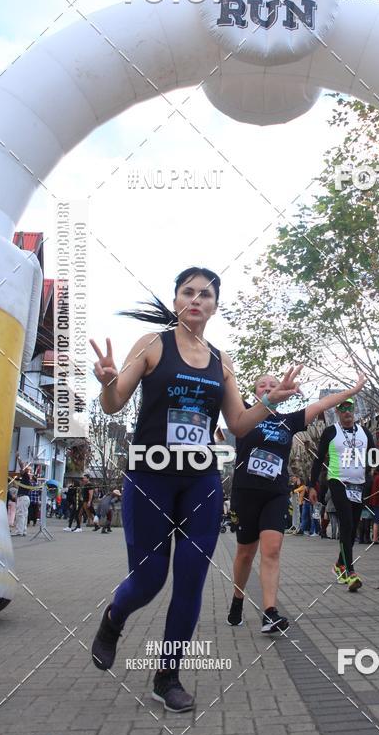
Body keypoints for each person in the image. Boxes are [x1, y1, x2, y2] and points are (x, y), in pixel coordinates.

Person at [89, 267, 302, 712]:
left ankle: (167, 677)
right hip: (150, 477)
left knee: (190, 581)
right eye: (187, 292)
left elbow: (239, 424)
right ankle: (113, 619)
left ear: (214, 306)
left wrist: (270, 401)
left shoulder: (222, 361)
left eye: (205, 294)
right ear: (175, 300)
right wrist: (108, 380)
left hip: (200, 482)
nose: (196, 300)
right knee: (149, 580)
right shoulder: (151, 346)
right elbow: (114, 404)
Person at [227, 373, 365, 632]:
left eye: (273, 385)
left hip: (275, 493)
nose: (268, 388)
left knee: (272, 549)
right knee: (245, 553)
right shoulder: (243, 414)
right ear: (255, 392)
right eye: (262, 386)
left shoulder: (289, 421)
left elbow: (323, 405)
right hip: (245, 492)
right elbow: (225, 388)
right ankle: (237, 598)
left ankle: (270, 613)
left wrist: (353, 389)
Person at [309, 399, 377, 592]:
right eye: (343, 409)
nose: (347, 412)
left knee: (352, 527)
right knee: (346, 524)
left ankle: (339, 564)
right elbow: (318, 459)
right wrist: (311, 485)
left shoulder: (364, 432)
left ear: (354, 411)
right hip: (338, 481)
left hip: (359, 485)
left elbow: (374, 455)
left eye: (350, 408)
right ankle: (350, 572)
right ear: (338, 412)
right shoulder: (331, 432)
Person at [13, 456, 32, 537]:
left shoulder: (26, 476)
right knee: (24, 515)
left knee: (20, 514)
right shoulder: (26, 479)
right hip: (26, 498)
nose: (20, 471)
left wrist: (18, 457)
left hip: (23, 498)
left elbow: (22, 466)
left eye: (21, 470)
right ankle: (23, 530)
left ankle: (19, 531)